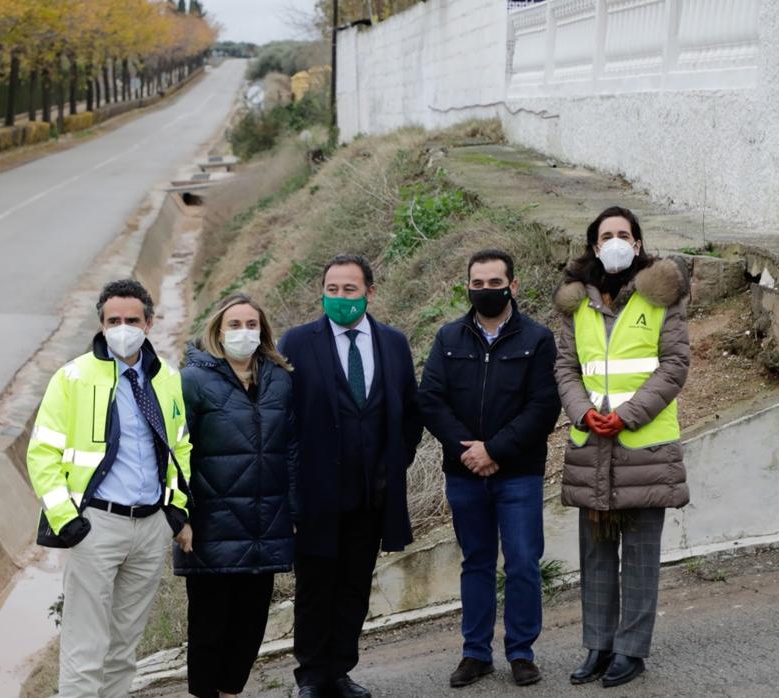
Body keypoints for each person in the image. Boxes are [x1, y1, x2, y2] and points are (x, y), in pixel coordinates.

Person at [25, 279, 194, 698]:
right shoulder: (74, 377)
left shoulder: (167, 377)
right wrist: (68, 522)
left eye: (131, 319)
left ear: (149, 323)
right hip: (96, 525)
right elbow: (41, 454)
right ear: (101, 324)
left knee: (123, 648)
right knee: (86, 647)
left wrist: (176, 510)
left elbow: (180, 446)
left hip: (151, 527)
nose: (123, 327)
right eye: (113, 320)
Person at [552, 206, 690, 688]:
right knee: (595, 554)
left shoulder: (660, 298)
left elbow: (674, 366)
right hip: (592, 444)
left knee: (640, 555)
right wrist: (580, 413)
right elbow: (566, 368)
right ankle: (598, 646)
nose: (614, 241)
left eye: (623, 234)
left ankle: (631, 650)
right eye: (605, 234)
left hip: (644, 447)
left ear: (637, 243)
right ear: (593, 245)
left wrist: (627, 416)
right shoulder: (577, 303)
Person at [278, 254, 423, 698]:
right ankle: (312, 676)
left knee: (355, 587)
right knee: (316, 588)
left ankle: (340, 670)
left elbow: (408, 413)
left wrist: (391, 466)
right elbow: (284, 420)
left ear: (369, 293)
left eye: (350, 290)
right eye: (333, 290)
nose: (341, 298)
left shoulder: (393, 342)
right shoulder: (298, 343)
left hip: (371, 495)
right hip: (317, 494)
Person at [418, 249, 561, 688]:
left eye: (494, 282)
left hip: (518, 473)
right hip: (464, 474)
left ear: (513, 286)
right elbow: (431, 400)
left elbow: (544, 406)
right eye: (476, 283)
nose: (485, 291)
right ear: (468, 287)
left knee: (522, 563)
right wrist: (469, 451)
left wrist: (494, 450)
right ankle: (475, 653)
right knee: (476, 563)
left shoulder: (537, 339)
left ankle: (521, 652)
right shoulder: (448, 338)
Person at [175, 293, 299, 698]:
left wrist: (294, 509)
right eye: (234, 325)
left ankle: (231, 693)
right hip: (212, 523)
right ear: (217, 330)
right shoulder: (192, 381)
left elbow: (294, 448)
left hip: (267, 520)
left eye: (251, 325)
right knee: (209, 624)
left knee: (251, 623)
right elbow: (175, 451)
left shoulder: (280, 378)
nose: (243, 332)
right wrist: (182, 516)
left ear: (262, 330)